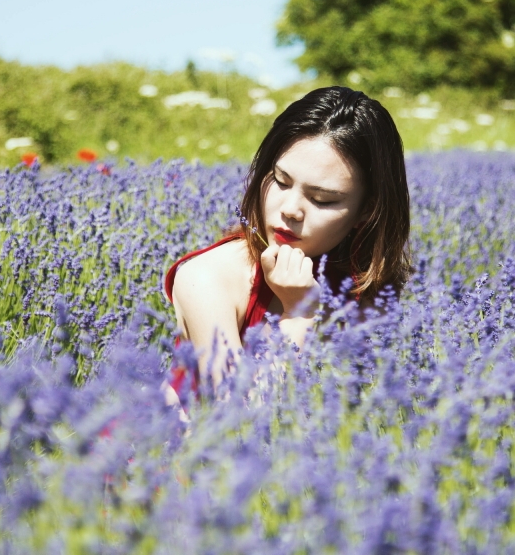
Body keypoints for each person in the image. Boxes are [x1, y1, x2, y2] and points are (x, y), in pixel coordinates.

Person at [163, 86, 411, 391]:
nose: (291, 210)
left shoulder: (366, 282)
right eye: (281, 181)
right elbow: (235, 419)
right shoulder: (207, 278)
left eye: (322, 199)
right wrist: (300, 316)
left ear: (366, 211)